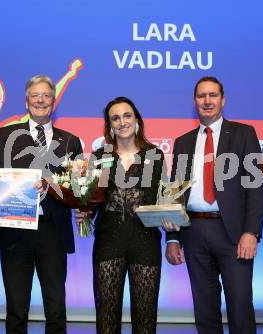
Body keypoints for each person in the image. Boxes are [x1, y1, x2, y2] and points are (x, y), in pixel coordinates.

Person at [165, 76, 263, 334]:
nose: (207, 101)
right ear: (194, 101)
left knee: (240, 305)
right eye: (201, 96)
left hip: (233, 234)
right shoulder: (183, 142)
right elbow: (176, 193)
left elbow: (256, 188)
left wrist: (251, 232)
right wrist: (173, 238)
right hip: (194, 233)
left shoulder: (244, 134)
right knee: (205, 308)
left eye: (212, 95)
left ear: (223, 99)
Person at [0, 75, 83, 334]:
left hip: (53, 232)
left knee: (56, 309)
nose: (41, 100)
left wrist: (55, 188)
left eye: (46, 95)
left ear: (54, 101)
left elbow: (76, 188)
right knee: (16, 309)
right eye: (35, 95)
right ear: (26, 101)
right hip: (14, 231)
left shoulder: (70, 141)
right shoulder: (6, 135)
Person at [78, 96, 166, 334]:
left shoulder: (154, 156)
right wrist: (83, 211)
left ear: (137, 119)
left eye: (127, 116)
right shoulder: (100, 157)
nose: (122, 122)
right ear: (109, 125)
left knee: (145, 321)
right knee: (106, 319)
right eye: (115, 118)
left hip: (145, 241)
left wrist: (170, 218)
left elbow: (160, 199)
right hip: (109, 241)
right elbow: (94, 199)